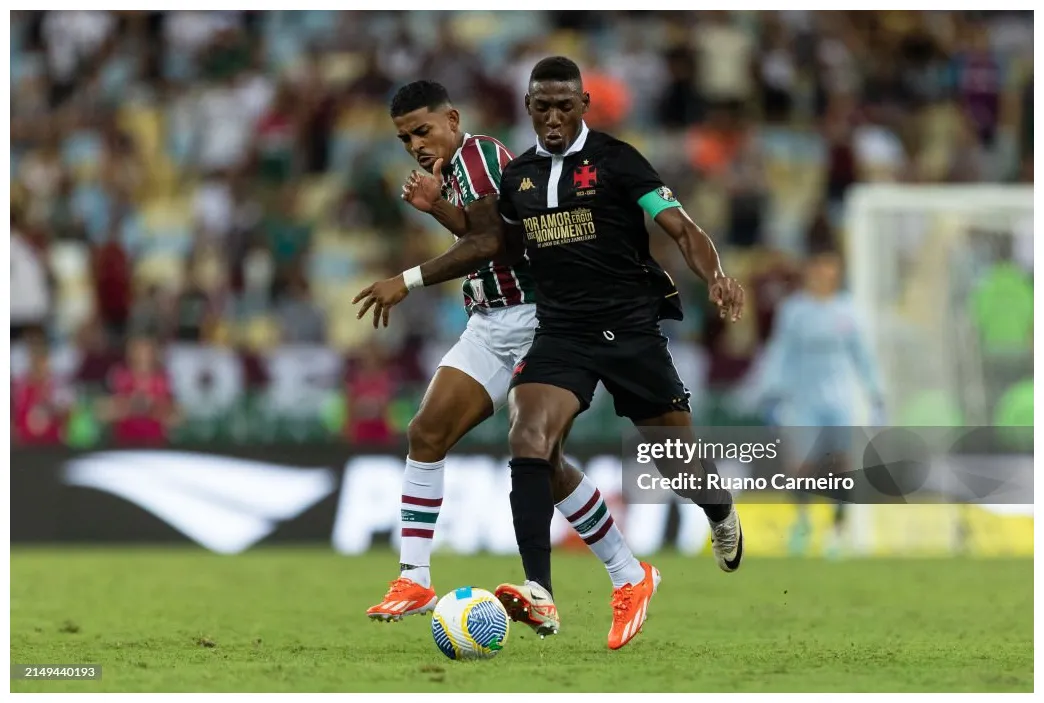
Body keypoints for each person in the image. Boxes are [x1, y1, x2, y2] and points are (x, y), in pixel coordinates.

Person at [354, 59, 746, 650]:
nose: (414, 144)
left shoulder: (501, 158)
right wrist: (438, 207)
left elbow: (491, 244)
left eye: (423, 131)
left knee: (665, 461)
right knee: (475, 438)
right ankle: (435, 580)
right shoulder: (512, 172)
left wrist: (405, 279)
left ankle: (700, 522)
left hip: (576, 321)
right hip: (520, 325)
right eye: (404, 137)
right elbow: (498, 239)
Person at [758, 248, 886, 558]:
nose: (825, 274)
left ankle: (837, 531)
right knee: (802, 466)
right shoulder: (794, 310)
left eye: (831, 268)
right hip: (803, 399)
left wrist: (876, 395)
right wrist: (771, 393)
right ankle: (802, 523)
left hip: (841, 400)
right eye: (819, 267)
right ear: (809, 271)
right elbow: (780, 353)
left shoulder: (849, 310)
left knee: (842, 464)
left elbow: (863, 357)